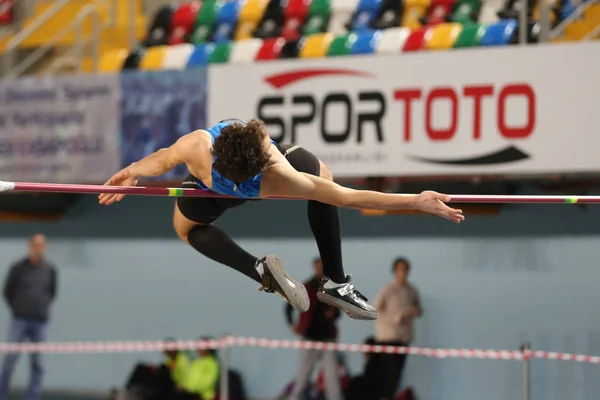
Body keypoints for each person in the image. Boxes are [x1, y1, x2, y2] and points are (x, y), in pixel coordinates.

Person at [99, 118, 464, 320]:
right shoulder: (197, 146)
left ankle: (325, 281)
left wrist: (415, 200)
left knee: (188, 229)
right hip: (222, 187)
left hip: (253, 181)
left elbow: (348, 197)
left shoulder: (276, 169)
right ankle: (311, 278)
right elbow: (161, 158)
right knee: (186, 229)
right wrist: (132, 171)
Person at [0, 234, 57, 400]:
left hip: (40, 321)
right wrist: (18, 309)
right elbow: (7, 291)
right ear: (30, 246)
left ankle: (34, 396)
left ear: (44, 248)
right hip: (19, 320)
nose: (37, 248)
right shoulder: (17, 268)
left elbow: (52, 292)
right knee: (10, 360)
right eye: (35, 244)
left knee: (38, 363)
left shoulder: (50, 269)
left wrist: (41, 307)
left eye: (41, 245)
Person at [285, 257, 343, 400]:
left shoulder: (332, 288)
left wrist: (333, 313)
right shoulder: (306, 287)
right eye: (318, 267)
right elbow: (288, 306)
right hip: (310, 337)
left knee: (331, 377)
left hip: (328, 337)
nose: (320, 270)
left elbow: (339, 311)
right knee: (304, 374)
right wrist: (292, 323)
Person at [373, 258, 422, 400]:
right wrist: (393, 318)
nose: (403, 272)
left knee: (398, 376)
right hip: (387, 338)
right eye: (400, 269)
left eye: (405, 269)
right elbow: (374, 308)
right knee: (390, 375)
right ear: (395, 271)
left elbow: (419, 309)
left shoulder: (412, 291)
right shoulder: (387, 289)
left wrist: (412, 312)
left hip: (403, 338)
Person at [124, 338, 190, 400]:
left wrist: (182, 386)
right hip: (168, 384)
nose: (166, 353)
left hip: (177, 386)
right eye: (165, 351)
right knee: (141, 369)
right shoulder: (169, 360)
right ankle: (128, 392)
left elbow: (189, 376)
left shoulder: (184, 359)